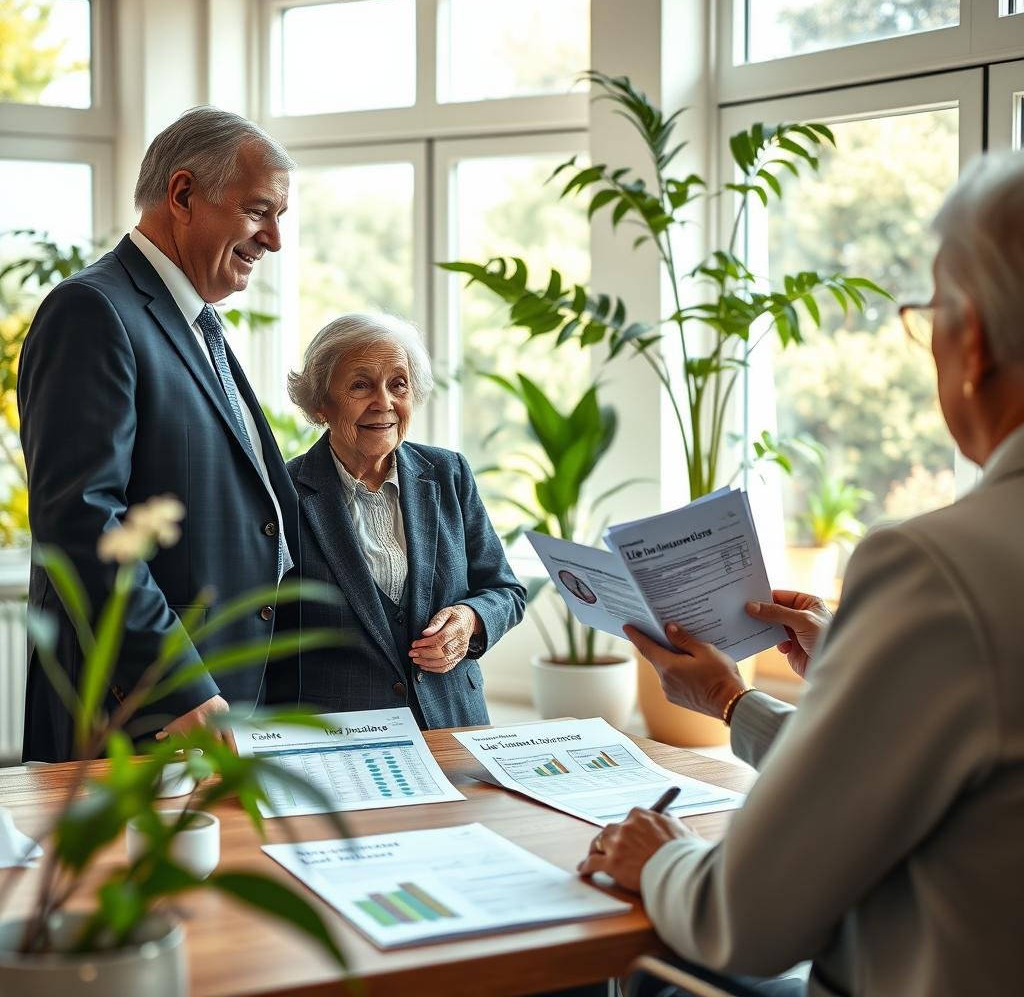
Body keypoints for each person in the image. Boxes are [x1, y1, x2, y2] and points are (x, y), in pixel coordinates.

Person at [578, 149, 1024, 997]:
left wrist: (664, 859)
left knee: (647, 977)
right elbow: (899, 786)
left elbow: (744, 919)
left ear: (967, 339)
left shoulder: (937, 569)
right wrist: (736, 702)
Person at [19, 107, 298, 762]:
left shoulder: (197, 325)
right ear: (182, 195)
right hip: (147, 707)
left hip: (226, 698)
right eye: (261, 211)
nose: (275, 240)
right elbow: (85, 521)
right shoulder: (93, 310)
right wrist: (178, 684)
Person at [277, 312, 525, 728]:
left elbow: (504, 590)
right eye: (360, 385)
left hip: (454, 726)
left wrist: (470, 619)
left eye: (398, 384)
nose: (385, 402)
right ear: (320, 403)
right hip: (337, 736)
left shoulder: (449, 473)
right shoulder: (282, 492)